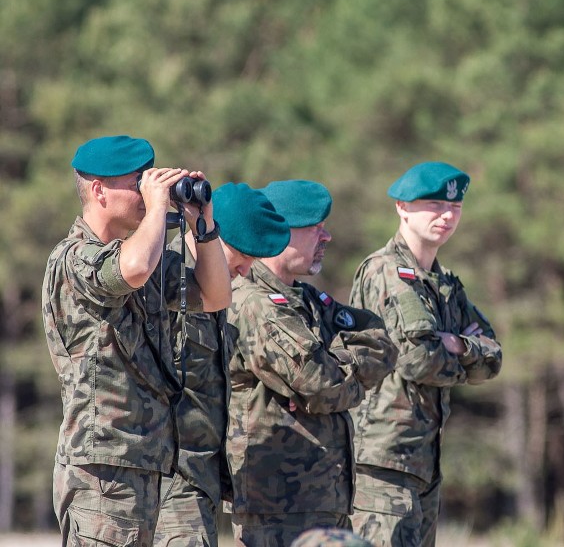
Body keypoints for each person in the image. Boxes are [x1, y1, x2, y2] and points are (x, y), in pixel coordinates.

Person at [42, 135, 232, 546]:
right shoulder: (75, 257)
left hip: (146, 461)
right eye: (138, 185)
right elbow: (132, 269)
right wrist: (160, 209)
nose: (148, 195)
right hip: (101, 468)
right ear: (99, 191)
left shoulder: (145, 258)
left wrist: (204, 225)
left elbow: (216, 296)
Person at [225, 179, 398, 546]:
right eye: (314, 227)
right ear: (279, 230)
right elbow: (321, 384)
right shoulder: (254, 302)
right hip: (277, 504)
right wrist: (341, 370)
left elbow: (383, 343)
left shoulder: (308, 300)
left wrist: (334, 363)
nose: (327, 237)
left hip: (323, 496)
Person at [348, 161, 503, 547]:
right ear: (402, 206)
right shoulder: (385, 272)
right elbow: (417, 360)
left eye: (455, 208)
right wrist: (459, 351)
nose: (447, 215)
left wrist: (455, 343)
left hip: (424, 461)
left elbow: (493, 358)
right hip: (382, 461)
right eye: (434, 205)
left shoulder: (446, 284)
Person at [154, 182, 291, 546]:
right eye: (241, 256)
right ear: (210, 236)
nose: (246, 271)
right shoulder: (162, 285)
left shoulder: (215, 295)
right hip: (170, 477)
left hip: (204, 476)